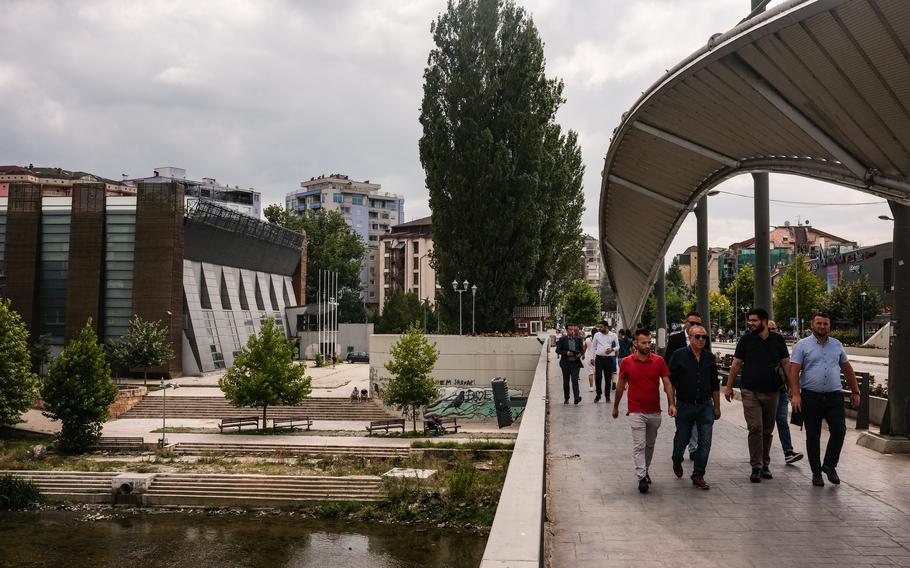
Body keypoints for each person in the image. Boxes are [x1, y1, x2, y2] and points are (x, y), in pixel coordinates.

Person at [789, 313, 860, 487]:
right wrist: (796, 395)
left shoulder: (837, 345)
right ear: (812, 325)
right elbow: (793, 371)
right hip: (810, 397)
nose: (822, 326)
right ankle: (816, 472)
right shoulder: (802, 345)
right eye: (819, 323)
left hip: (834, 397)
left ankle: (829, 465)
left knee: (839, 430)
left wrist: (855, 391)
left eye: (825, 324)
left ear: (829, 326)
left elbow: (847, 369)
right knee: (813, 435)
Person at [724, 307, 789, 483]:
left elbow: (786, 364)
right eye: (749, 320)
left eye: (754, 320)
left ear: (765, 322)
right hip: (750, 391)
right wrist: (728, 387)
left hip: (772, 391)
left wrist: (792, 388)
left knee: (767, 430)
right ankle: (756, 466)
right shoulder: (745, 340)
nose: (750, 323)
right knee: (755, 427)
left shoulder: (777, 340)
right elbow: (736, 364)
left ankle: (765, 464)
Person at [613, 329, 676, 494]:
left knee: (650, 445)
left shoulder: (659, 361)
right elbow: (620, 387)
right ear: (635, 343)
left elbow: (668, 384)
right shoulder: (626, 362)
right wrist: (615, 406)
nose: (648, 345)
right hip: (636, 411)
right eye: (644, 342)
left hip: (655, 411)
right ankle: (641, 477)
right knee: (639, 445)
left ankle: (645, 469)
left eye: (649, 342)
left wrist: (671, 403)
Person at [668, 325, 719, 490]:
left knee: (705, 442)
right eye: (697, 337)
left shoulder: (710, 358)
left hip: (705, 406)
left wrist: (716, 407)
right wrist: (671, 403)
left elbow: (714, 385)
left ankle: (698, 475)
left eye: (704, 337)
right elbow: (670, 382)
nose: (701, 340)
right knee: (681, 439)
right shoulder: (679, 356)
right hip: (685, 405)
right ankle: (676, 459)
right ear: (689, 338)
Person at [664, 311, 709, 460]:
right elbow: (668, 361)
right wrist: (669, 387)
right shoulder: (675, 338)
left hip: (699, 389)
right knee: (683, 423)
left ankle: (693, 448)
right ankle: (680, 450)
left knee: (698, 421)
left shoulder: (703, 338)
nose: (695, 326)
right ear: (686, 322)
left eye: (698, 323)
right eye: (692, 323)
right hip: (681, 388)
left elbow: (708, 361)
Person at [768, 320, 804, 465]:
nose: (772, 331)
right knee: (765, 425)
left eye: (774, 328)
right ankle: (761, 454)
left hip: (781, 391)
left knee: (782, 420)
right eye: (769, 329)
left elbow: (788, 367)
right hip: (765, 393)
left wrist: (792, 388)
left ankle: (788, 452)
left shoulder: (780, 345)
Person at [589, 320, 618, 402]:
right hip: (599, 359)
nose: (599, 328)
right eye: (599, 327)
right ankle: (598, 395)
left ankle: (607, 396)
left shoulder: (613, 335)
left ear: (606, 327)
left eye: (601, 327)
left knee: (608, 378)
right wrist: (592, 358)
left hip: (609, 359)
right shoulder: (597, 335)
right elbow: (593, 347)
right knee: (598, 377)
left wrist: (612, 349)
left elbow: (618, 346)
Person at [556, 323, 584, 404]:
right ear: (566, 330)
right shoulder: (562, 339)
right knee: (566, 381)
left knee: (575, 380)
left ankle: (576, 398)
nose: (572, 331)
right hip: (565, 363)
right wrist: (566, 353)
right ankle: (566, 398)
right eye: (570, 330)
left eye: (573, 330)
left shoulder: (578, 339)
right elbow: (557, 350)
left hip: (575, 363)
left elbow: (581, 349)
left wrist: (579, 354)